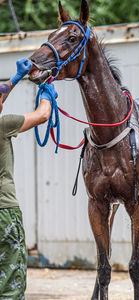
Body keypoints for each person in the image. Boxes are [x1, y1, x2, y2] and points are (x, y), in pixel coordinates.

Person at [0, 58, 57, 299]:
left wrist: (15, 79)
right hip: (4, 212)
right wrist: (47, 93)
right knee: (11, 281)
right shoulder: (4, 125)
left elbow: (0, 96)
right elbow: (42, 115)